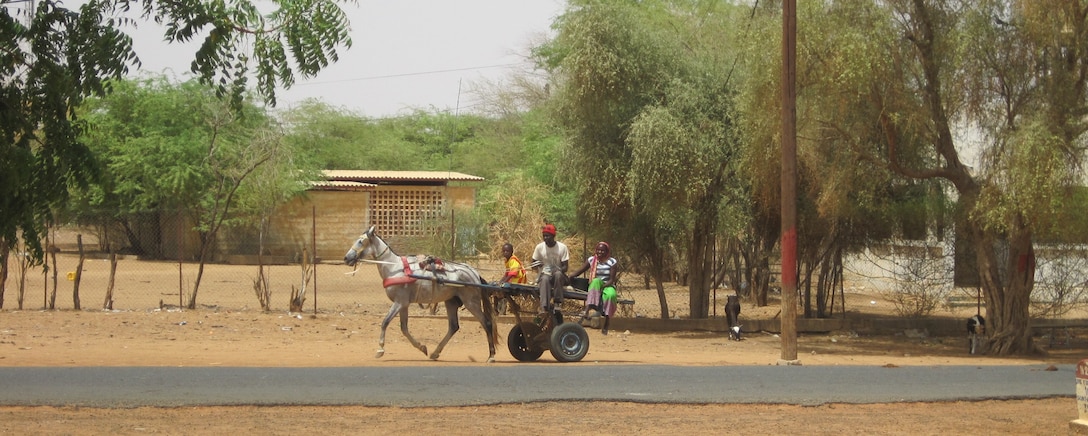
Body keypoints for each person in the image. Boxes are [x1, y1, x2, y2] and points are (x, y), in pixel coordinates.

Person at [569, 241, 620, 335]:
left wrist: (603, 287)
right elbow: (580, 270)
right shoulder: (592, 260)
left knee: (611, 295)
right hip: (596, 284)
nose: (600, 252)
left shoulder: (612, 262)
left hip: (607, 284)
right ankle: (587, 310)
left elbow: (611, 280)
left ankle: (607, 321)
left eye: (602, 251)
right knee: (596, 281)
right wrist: (570, 277)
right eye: (598, 250)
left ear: (607, 251)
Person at [531, 224, 569, 315]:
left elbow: (565, 267)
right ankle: (544, 307)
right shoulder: (539, 247)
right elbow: (533, 264)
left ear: (553, 236)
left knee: (558, 275)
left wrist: (557, 269)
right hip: (545, 273)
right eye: (544, 236)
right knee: (544, 279)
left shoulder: (562, 247)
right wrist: (537, 265)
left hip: (557, 275)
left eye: (547, 236)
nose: (545, 238)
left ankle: (557, 303)